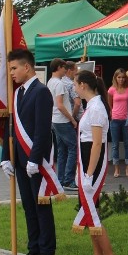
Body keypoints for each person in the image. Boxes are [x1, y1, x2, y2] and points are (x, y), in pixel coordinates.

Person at [0, 48, 60, 255]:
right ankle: (34, 247)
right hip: (20, 160)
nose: (12, 73)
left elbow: (42, 130)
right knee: (28, 205)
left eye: (14, 68)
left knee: (41, 205)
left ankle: (47, 250)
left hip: (36, 161)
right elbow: (12, 128)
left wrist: (35, 159)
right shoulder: (18, 93)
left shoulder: (41, 91)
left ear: (27, 67)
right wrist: (7, 156)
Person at [73, 69, 120, 255]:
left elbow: (97, 144)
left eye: (75, 85)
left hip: (93, 160)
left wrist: (89, 173)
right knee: (90, 210)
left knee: (92, 210)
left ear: (83, 85)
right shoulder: (90, 106)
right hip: (85, 159)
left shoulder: (96, 108)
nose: (75, 89)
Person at [47, 58, 77, 192]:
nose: (66, 70)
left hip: (55, 120)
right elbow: (60, 105)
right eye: (64, 68)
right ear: (59, 67)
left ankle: (60, 179)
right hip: (62, 120)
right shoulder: (59, 84)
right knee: (73, 147)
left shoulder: (50, 82)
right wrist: (72, 119)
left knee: (62, 150)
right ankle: (69, 180)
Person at [107, 68, 128, 177]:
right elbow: (109, 103)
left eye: (123, 77)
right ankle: (116, 169)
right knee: (115, 145)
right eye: (119, 77)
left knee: (127, 145)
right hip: (115, 119)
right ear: (115, 78)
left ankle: (127, 168)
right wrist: (112, 114)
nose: (121, 79)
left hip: (126, 120)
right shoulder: (112, 89)